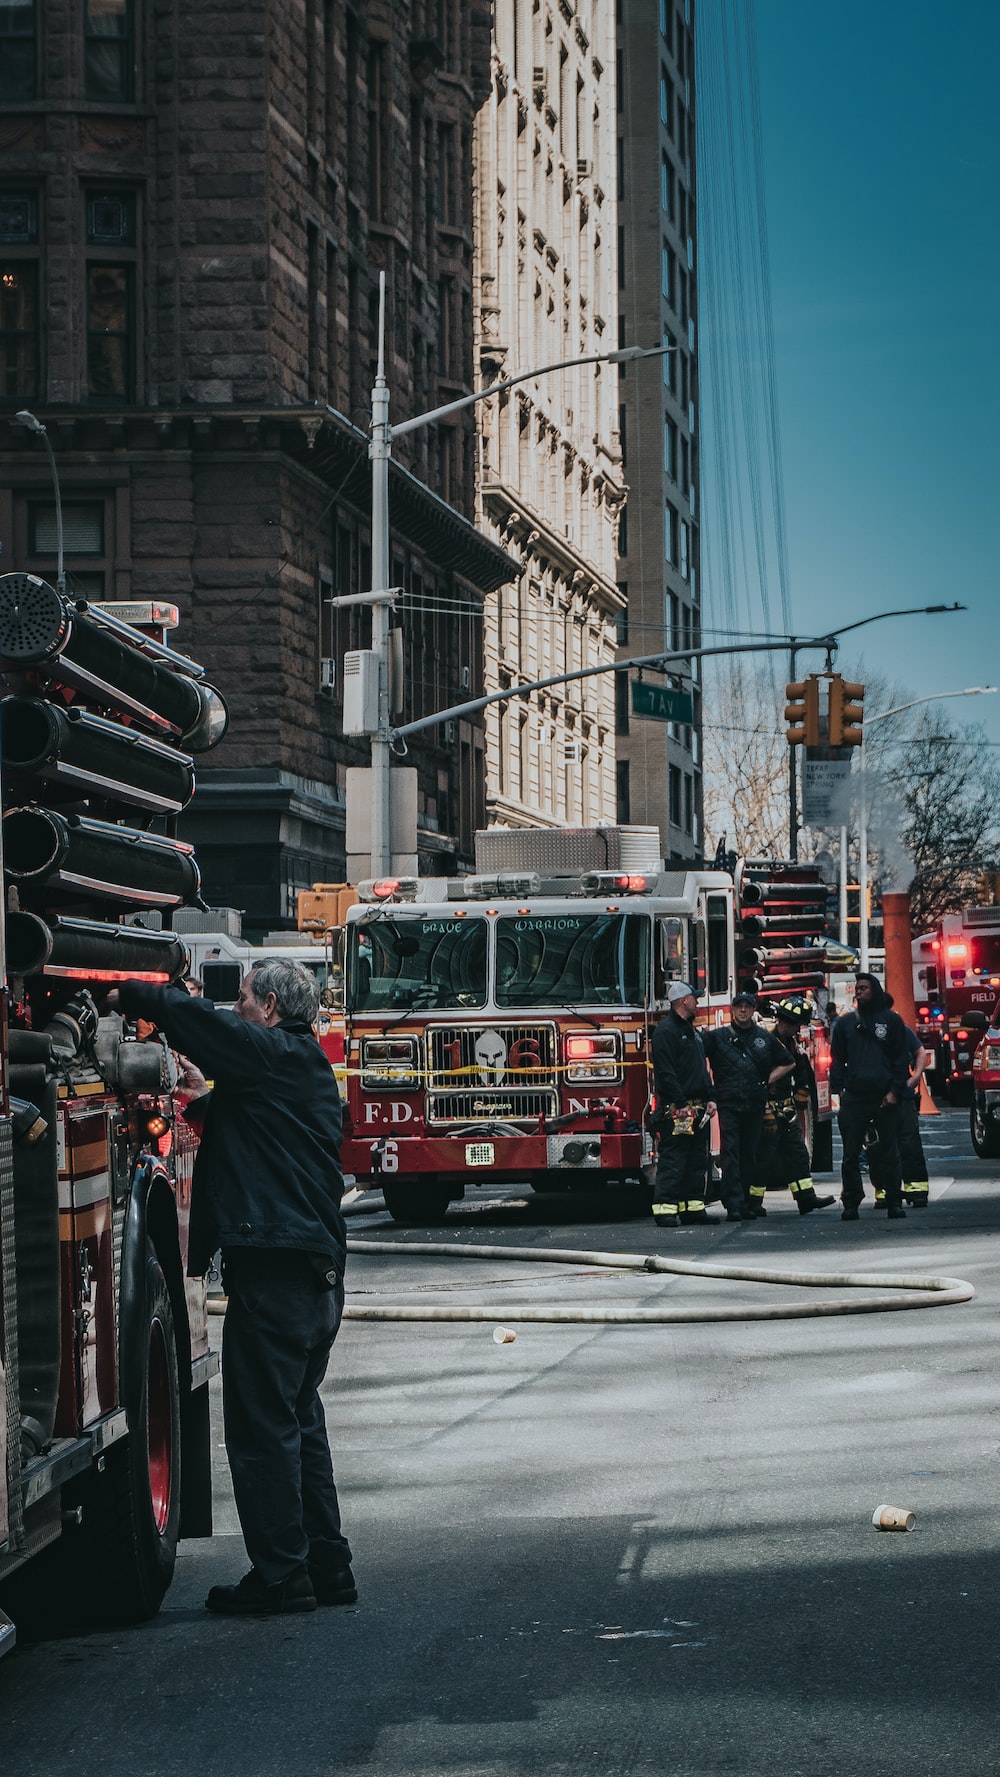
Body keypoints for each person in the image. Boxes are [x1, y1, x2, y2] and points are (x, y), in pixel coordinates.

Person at [109, 958, 354, 1617]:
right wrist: (192, 1094)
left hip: (276, 1277)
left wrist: (138, 994)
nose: (237, 1007)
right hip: (312, 1275)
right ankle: (326, 1566)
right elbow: (239, 1116)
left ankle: (281, 1576)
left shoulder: (274, 1053)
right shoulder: (299, 1068)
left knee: (261, 1428)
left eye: (243, 998)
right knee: (297, 1419)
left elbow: (211, 1030)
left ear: (270, 1007)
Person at [829, 973, 910, 1222]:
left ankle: (894, 1201)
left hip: (884, 1096)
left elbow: (901, 1059)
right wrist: (839, 1091)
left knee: (890, 1152)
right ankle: (851, 1202)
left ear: (874, 990)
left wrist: (894, 1091)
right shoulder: (845, 1024)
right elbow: (837, 1060)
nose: (859, 992)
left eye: (864, 988)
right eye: (857, 988)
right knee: (850, 1155)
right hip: (854, 1097)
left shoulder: (891, 1021)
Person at [746, 996, 835, 1217]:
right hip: (769, 1109)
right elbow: (759, 1077)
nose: (798, 1029)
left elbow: (801, 1070)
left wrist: (802, 1094)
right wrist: (764, 1106)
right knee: (764, 1157)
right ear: (787, 1022)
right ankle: (753, 1202)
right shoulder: (766, 1043)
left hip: (786, 1110)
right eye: (796, 1025)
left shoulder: (790, 1043)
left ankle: (806, 1198)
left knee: (797, 1153)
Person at [703, 991, 789, 1221]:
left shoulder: (764, 1038)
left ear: (753, 1010)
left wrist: (766, 1081)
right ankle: (733, 1204)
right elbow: (696, 1056)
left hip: (754, 1103)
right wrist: (708, 1089)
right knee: (730, 1153)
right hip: (729, 1103)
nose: (743, 1010)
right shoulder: (717, 1037)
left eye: (747, 1006)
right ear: (732, 1010)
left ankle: (746, 1202)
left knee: (749, 1154)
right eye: (739, 1006)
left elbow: (788, 1062)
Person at [650, 980, 718, 1226]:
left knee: (697, 1161)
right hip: (678, 1110)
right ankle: (665, 1210)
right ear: (683, 1001)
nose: (697, 1002)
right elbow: (666, 1073)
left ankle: (693, 1209)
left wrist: (710, 1098)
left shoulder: (693, 1032)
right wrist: (680, 1103)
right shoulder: (666, 1032)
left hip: (697, 1109)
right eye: (694, 998)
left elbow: (701, 1070)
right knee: (674, 1161)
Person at [870, 994, 932, 1209]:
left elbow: (920, 1052)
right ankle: (885, 1191)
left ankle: (917, 1190)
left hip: (902, 1095)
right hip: (875, 1095)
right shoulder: (862, 1031)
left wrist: (915, 1077)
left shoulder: (900, 1029)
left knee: (908, 1142)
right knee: (878, 1145)